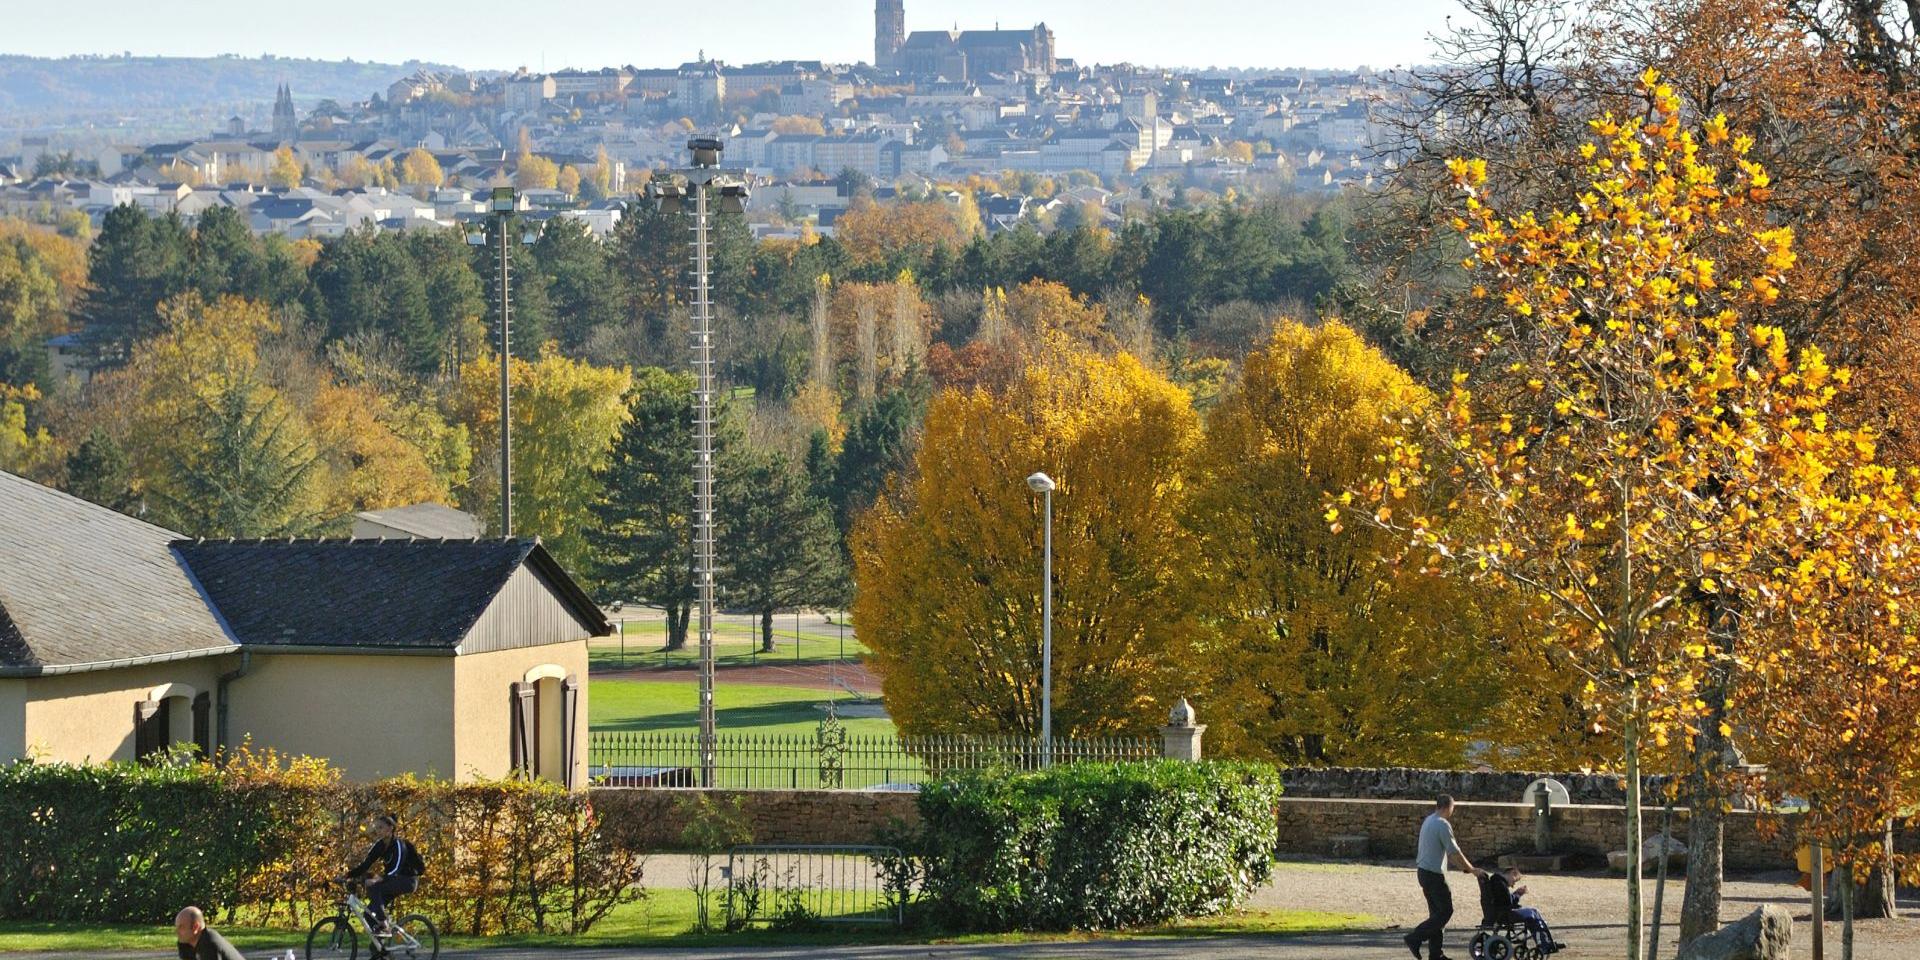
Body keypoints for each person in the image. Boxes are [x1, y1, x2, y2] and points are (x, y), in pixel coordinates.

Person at [1406, 794, 1486, 960]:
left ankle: (1436, 954)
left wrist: (1462, 868)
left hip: (1423, 871)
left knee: (1436, 914)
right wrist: (1471, 869)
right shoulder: (1442, 824)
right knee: (1445, 912)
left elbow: (1449, 854)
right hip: (1434, 874)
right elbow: (1454, 852)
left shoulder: (1429, 820)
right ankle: (1415, 937)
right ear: (1449, 807)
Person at [339, 813, 425, 934]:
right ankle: (380, 948)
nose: (377, 830)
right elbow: (365, 864)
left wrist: (379, 879)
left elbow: (396, 868)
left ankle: (384, 923)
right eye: (377, 827)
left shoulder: (399, 845)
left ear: (390, 828)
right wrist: (347, 875)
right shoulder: (380, 845)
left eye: (381, 827)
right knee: (369, 914)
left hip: (407, 880)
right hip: (393, 880)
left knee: (374, 887)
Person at [1494, 867, 1563, 953]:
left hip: (1503, 912)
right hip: (1505, 914)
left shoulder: (1498, 882)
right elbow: (1508, 902)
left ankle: (1547, 942)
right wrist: (1518, 894)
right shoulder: (1499, 883)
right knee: (1532, 914)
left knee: (1534, 912)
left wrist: (1517, 894)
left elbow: (1506, 900)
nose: (1513, 885)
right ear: (1512, 873)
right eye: (1515, 881)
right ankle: (1545, 944)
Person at [174, 906, 246, 960]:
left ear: (196, 927)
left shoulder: (209, 944)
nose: (177, 931)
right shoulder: (185, 943)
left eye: (181, 927)